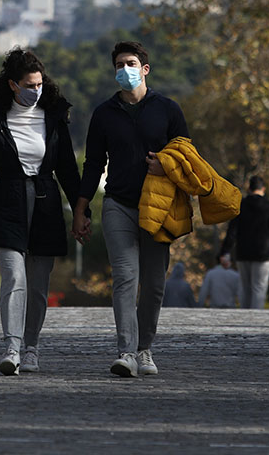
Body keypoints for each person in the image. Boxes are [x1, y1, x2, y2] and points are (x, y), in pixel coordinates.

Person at [0, 48, 82, 375]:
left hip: (46, 202)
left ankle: (31, 347)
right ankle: (12, 346)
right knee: (14, 275)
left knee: (37, 286)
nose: (35, 90)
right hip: (7, 201)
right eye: (29, 85)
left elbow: (67, 167)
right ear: (12, 84)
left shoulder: (54, 113)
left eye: (39, 84)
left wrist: (82, 211)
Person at [72, 40, 189, 378]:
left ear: (145, 69)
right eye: (119, 65)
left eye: (131, 63)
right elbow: (93, 164)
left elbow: (187, 156)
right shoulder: (104, 114)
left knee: (153, 284)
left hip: (158, 207)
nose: (125, 70)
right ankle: (126, 352)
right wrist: (81, 209)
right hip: (118, 204)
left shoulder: (168, 109)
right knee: (125, 278)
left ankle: (144, 349)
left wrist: (165, 166)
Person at [220, 176, 269, 309]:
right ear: (263, 189)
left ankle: (244, 313)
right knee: (259, 287)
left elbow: (232, 231)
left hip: (243, 252)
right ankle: (256, 315)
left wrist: (225, 251)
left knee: (245, 287)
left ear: (249, 189)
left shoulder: (240, 205)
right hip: (263, 253)